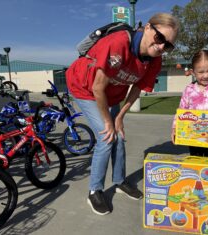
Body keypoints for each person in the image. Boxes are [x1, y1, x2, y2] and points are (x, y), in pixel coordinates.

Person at [66, 13, 179, 215]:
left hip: (111, 94)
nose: (162, 46)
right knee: (107, 137)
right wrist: (108, 122)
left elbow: (137, 88)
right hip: (84, 87)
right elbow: (97, 88)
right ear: (147, 28)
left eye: (168, 45)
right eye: (160, 38)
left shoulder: (155, 60)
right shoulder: (118, 44)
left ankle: (119, 181)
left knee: (119, 135)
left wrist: (119, 117)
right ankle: (95, 190)